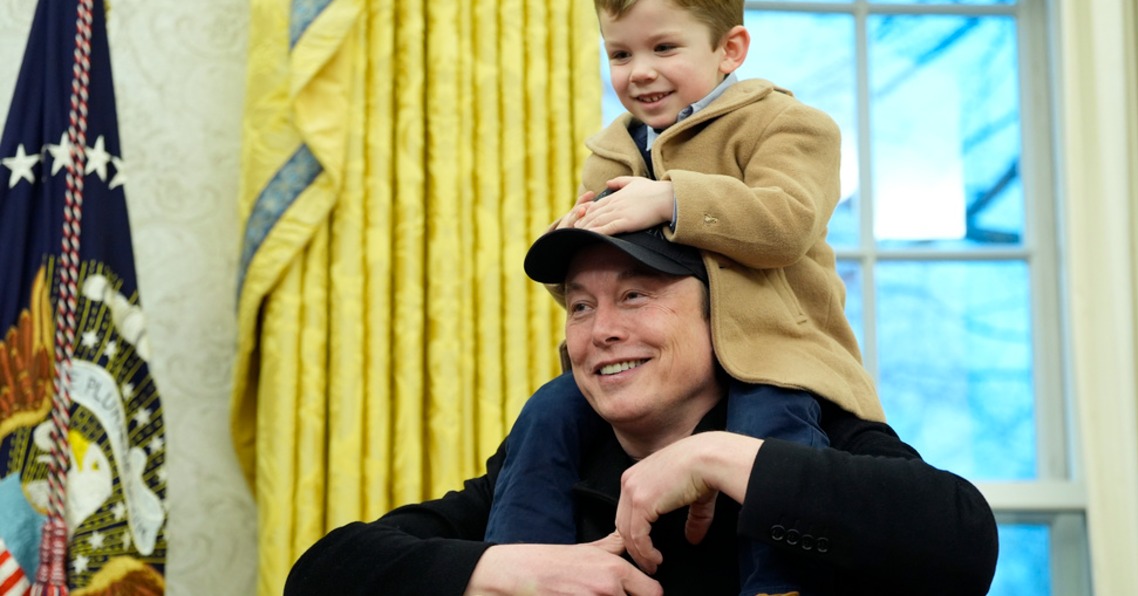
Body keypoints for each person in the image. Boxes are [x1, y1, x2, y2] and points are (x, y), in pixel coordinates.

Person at [284, 227, 999, 595]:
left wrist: (715, 458)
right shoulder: (547, 466)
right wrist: (504, 570)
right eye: (580, 307)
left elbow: (960, 542)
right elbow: (322, 575)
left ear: (723, 316)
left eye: (635, 296)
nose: (601, 331)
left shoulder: (814, 432)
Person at [486, 0, 882, 593]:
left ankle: (779, 583)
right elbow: (596, 280)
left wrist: (673, 199)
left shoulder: (787, 125)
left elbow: (788, 223)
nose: (639, 72)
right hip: (668, 365)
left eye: (664, 48)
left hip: (771, 355)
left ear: (730, 49)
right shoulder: (612, 150)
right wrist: (575, 238)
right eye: (620, 54)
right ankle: (523, 566)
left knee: (769, 429)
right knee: (548, 411)